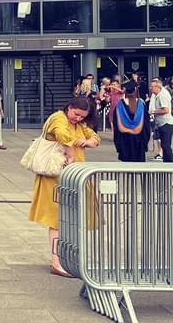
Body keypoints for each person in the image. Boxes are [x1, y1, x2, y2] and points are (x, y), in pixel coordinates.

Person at [28, 98, 100, 276]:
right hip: (55, 175)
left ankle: (67, 259)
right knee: (56, 219)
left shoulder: (79, 124)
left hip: (73, 175)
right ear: (69, 108)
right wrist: (72, 150)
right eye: (76, 114)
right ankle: (56, 261)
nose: (77, 118)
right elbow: (62, 135)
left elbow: (94, 137)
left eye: (82, 116)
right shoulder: (58, 118)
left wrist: (89, 141)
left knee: (71, 219)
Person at [113, 82, 151, 162]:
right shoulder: (141, 104)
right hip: (139, 140)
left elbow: (116, 125)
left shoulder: (119, 105)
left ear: (125, 91)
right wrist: (145, 142)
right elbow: (146, 125)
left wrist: (118, 144)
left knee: (126, 165)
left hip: (124, 139)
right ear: (135, 90)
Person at [149, 77, 173, 162]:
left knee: (166, 145)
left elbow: (165, 110)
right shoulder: (158, 95)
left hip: (165, 123)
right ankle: (167, 162)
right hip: (161, 123)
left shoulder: (162, 95)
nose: (150, 88)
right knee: (164, 145)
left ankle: (170, 163)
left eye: (152, 87)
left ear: (157, 87)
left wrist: (153, 112)